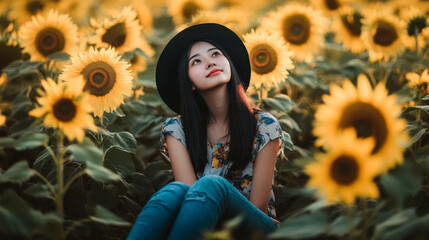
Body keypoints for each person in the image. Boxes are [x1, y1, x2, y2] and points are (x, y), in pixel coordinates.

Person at [127, 23, 284, 240]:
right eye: (197, 61)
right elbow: (189, 198)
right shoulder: (178, 130)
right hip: (201, 221)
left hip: (256, 227)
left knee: (211, 185)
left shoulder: (264, 125)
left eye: (216, 54)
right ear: (189, 82)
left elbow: (258, 206)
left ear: (229, 63)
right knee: (172, 192)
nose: (210, 62)